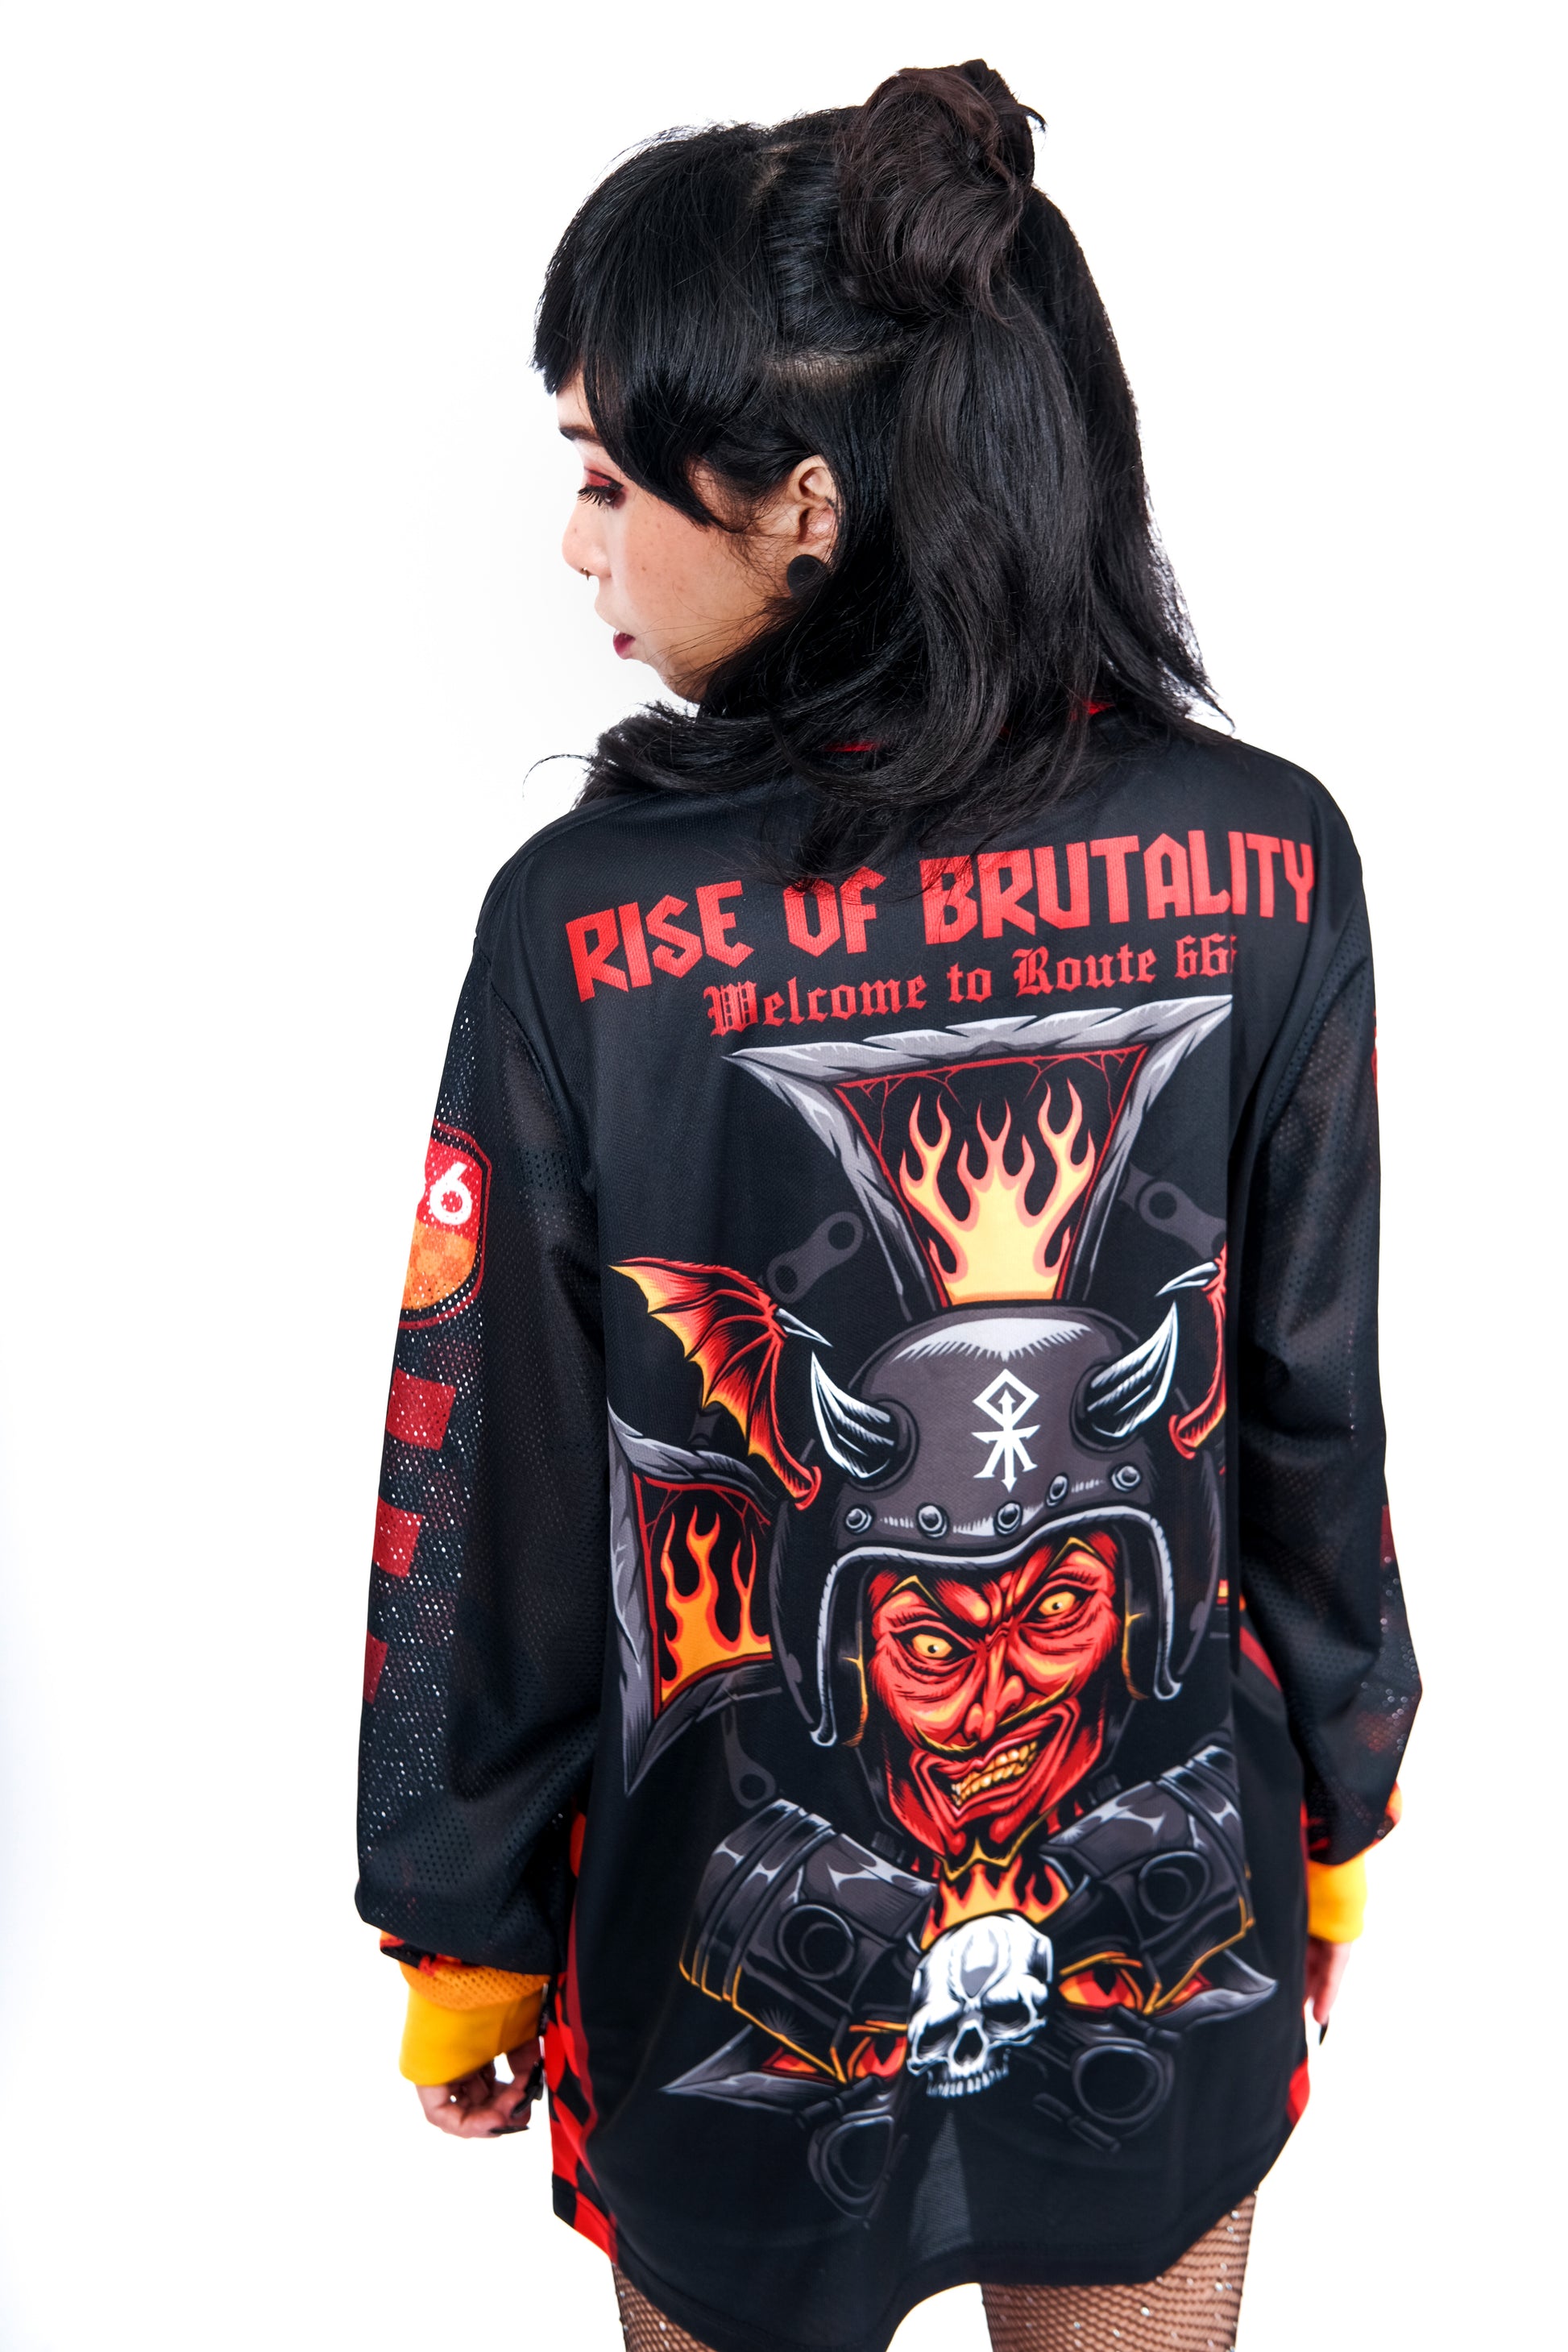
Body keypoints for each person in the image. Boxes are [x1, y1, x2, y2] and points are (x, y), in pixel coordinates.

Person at [356, 61, 1420, 2352]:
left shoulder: (584, 931)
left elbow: (494, 1481)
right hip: (1185, 1918)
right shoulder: (1269, 858)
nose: (578, 547)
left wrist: (463, 1934)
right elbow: (1313, 1411)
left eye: (607, 474)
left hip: (710, 1964)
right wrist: (1343, 1801)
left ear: (803, 505)